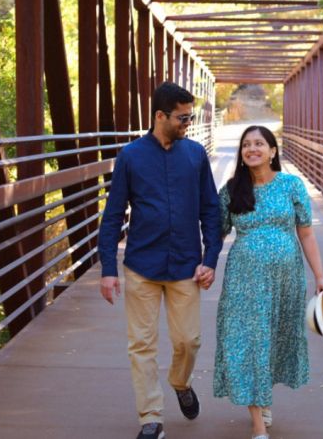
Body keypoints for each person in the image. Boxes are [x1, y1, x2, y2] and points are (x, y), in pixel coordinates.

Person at [98, 82, 222, 439]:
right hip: (141, 266)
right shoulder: (131, 156)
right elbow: (113, 214)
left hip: (186, 265)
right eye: (183, 117)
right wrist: (108, 269)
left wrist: (210, 258)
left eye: (191, 116)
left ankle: (180, 382)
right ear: (160, 116)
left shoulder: (195, 155)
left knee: (189, 341)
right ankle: (150, 417)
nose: (189, 122)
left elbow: (210, 210)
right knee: (142, 344)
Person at [213, 125, 323, 439]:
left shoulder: (292, 186)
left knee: (274, 340)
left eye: (258, 144)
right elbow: (216, 233)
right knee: (249, 342)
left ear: (272, 151)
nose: (251, 149)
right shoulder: (231, 191)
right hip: (244, 281)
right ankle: (257, 427)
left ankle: (262, 397)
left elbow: (306, 233)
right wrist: (204, 265)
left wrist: (320, 276)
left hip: (286, 280)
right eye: (246, 145)